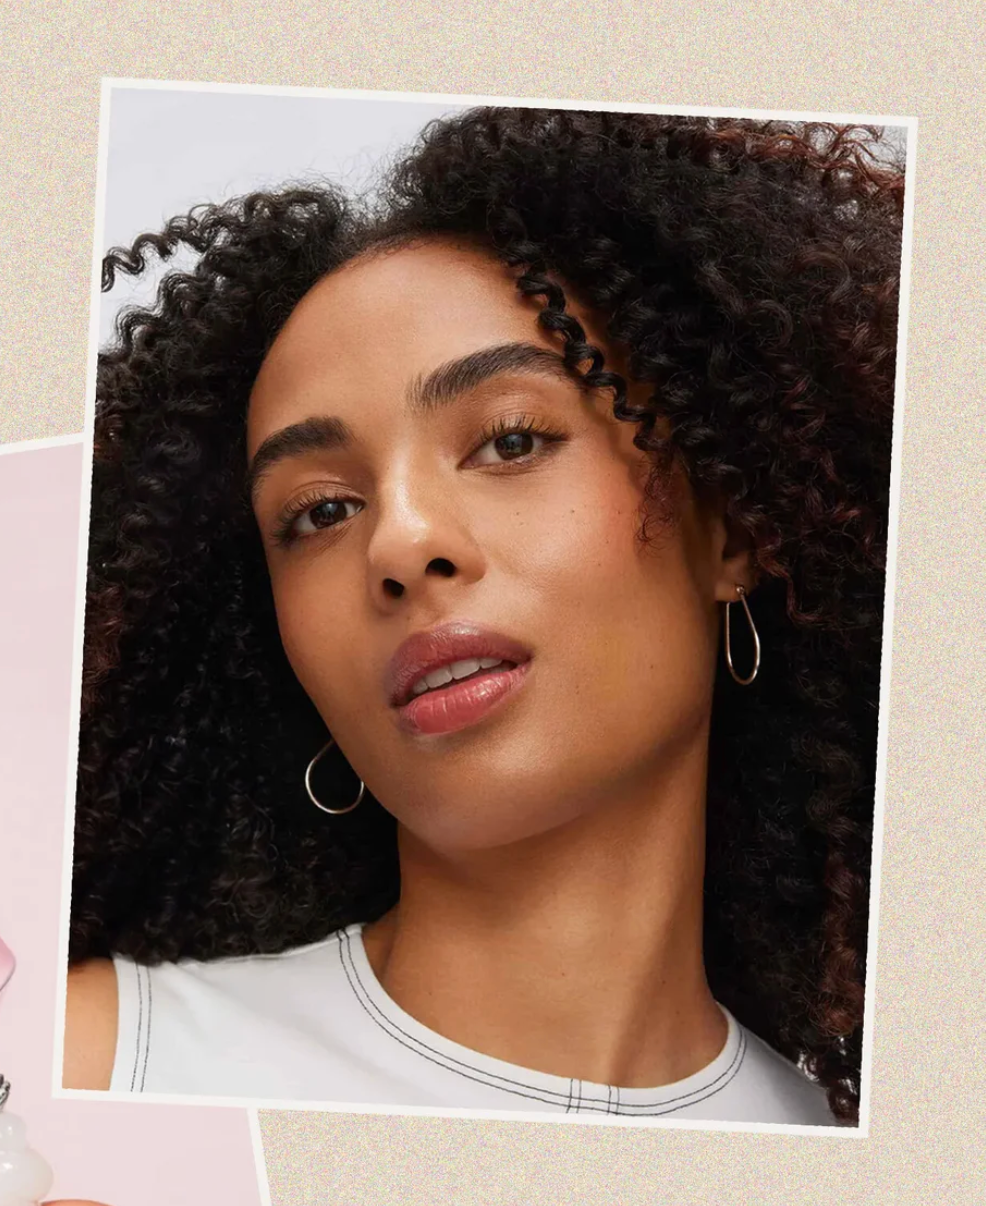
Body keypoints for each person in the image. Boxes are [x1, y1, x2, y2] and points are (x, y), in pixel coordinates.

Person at [62, 108, 902, 1126]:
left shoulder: (863, 1156)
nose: (399, 542)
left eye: (507, 441)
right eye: (319, 511)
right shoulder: (98, 1071)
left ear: (728, 532)